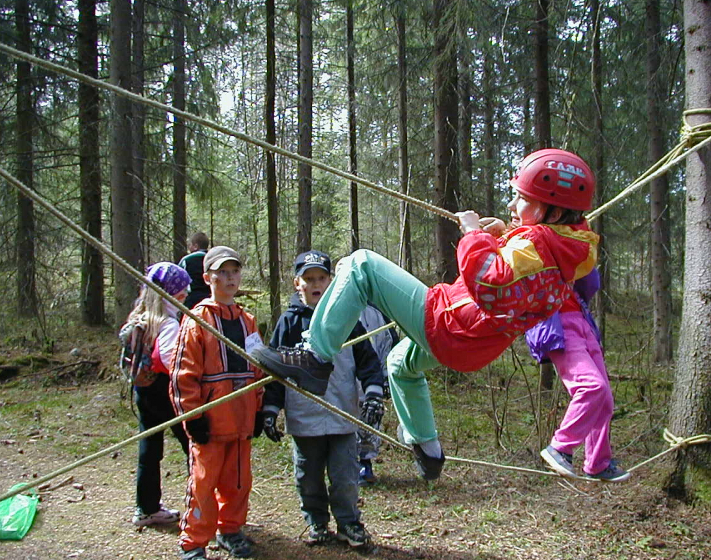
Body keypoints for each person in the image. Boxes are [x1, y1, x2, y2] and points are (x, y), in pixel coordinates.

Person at [251, 148, 599, 483]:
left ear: (550, 212)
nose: (511, 204)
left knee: (362, 266)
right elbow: (530, 262)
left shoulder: (535, 247)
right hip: (471, 346)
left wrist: (474, 234)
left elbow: (490, 283)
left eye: (521, 199)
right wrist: (505, 234)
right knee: (400, 362)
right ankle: (427, 446)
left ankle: (314, 357)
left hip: (448, 324)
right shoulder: (567, 250)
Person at [258, 250, 384, 548]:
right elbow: (274, 369)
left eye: (322, 278)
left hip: (342, 413)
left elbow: (368, 360)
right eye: (309, 279)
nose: (316, 284)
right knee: (308, 476)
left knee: (345, 476)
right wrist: (271, 407)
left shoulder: (346, 318)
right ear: (297, 283)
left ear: (331, 282)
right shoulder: (288, 324)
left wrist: (374, 393)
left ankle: (349, 522)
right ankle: (316, 521)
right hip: (304, 417)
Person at [169, 246, 265, 560]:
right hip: (210, 422)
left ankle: (231, 529)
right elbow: (183, 374)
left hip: (241, 420)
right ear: (208, 278)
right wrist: (193, 418)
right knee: (204, 482)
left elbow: (258, 370)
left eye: (234, 271)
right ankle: (194, 540)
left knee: (239, 481)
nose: (229, 278)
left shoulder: (248, 320)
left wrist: (260, 410)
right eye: (222, 272)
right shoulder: (196, 320)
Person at [526, 267, 629, 482]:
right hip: (557, 326)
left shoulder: (565, 247)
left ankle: (598, 463)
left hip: (582, 320)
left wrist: (582, 259)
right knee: (591, 386)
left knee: (605, 401)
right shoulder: (529, 245)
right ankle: (560, 447)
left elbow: (590, 284)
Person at [120, 262, 191, 528]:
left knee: (149, 450)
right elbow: (171, 360)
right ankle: (202, 507)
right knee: (193, 447)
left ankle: (147, 507)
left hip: (143, 391)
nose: (185, 295)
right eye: (182, 291)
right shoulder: (168, 323)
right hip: (166, 394)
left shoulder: (140, 316)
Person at [356, 304, 398, 485]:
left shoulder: (378, 312)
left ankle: (365, 463)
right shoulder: (333, 304)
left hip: (371, 376)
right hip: (344, 377)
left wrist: (386, 378)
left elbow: (388, 345)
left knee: (370, 415)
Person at [178, 232, 211, 309]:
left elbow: (179, 277)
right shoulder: (212, 259)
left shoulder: (186, 260)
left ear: (196, 246)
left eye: (190, 245)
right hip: (210, 297)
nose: (189, 247)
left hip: (191, 299)